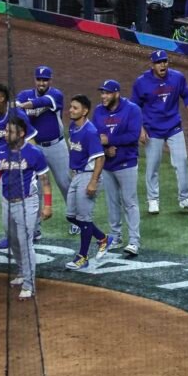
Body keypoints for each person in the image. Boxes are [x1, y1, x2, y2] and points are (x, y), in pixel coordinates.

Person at [0, 116, 52, 301]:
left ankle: (29, 284)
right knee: (12, 238)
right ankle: (21, 271)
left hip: (27, 202)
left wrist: (48, 204)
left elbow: (45, 180)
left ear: (21, 133)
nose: (5, 134)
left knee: (25, 241)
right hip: (7, 201)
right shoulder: (1, 152)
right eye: (6, 131)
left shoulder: (34, 153)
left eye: (10, 131)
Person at [132, 50, 188, 217]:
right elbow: (134, 108)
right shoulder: (141, 82)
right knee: (153, 166)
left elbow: (187, 96)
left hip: (173, 127)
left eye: (164, 61)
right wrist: (140, 129)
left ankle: (185, 198)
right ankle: (153, 199)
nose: (162, 65)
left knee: (182, 161)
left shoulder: (177, 77)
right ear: (152, 65)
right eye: (158, 62)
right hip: (152, 129)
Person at [16, 65, 76, 237]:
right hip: (35, 148)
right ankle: (35, 228)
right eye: (39, 79)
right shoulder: (24, 94)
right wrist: (18, 106)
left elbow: (42, 102)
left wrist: (23, 106)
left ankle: (76, 220)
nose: (42, 83)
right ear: (34, 79)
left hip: (56, 146)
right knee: (35, 187)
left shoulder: (56, 95)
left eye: (45, 80)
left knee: (65, 183)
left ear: (50, 80)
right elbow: (17, 111)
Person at [0, 83, 38, 252]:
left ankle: (31, 234)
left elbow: (31, 140)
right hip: (4, 165)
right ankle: (11, 237)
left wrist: (31, 167)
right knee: (7, 203)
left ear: (2, 98)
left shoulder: (17, 116)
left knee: (26, 203)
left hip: (22, 166)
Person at [92, 79, 144, 256]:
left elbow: (133, 135)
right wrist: (106, 150)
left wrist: (110, 140)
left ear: (116, 93)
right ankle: (115, 236)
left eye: (107, 93)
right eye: (102, 93)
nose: (103, 96)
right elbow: (96, 136)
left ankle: (134, 241)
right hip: (107, 164)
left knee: (130, 202)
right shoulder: (98, 111)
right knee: (112, 202)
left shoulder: (132, 109)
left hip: (126, 163)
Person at [63, 94, 109, 271]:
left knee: (84, 219)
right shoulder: (73, 127)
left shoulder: (90, 132)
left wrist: (93, 182)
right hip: (77, 175)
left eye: (75, 108)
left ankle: (82, 257)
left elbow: (100, 158)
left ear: (85, 111)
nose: (71, 110)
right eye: (71, 107)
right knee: (71, 216)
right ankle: (103, 238)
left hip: (89, 176)